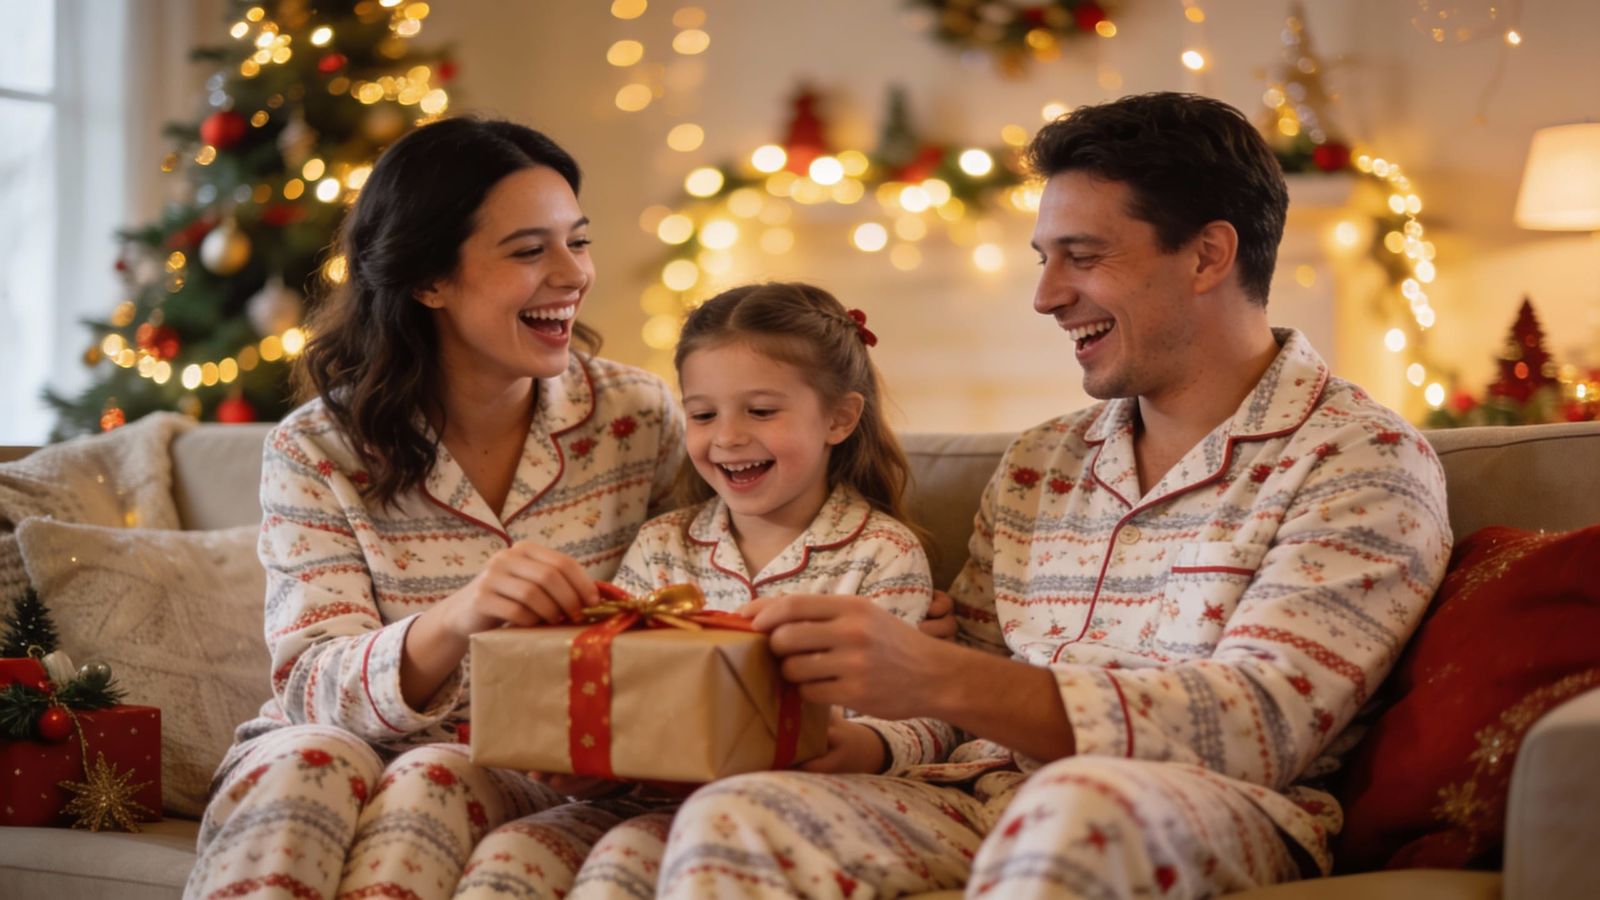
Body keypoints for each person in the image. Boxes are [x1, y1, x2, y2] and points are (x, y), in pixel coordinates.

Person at [634, 92, 1455, 898]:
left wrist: (940, 674)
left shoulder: (1360, 459)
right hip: (977, 798)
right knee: (736, 815)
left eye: (1083, 256)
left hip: (1205, 811)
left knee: (1078, 804)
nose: (1047, 295)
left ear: (1208, 256)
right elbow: (954, 691)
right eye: (1044, 259)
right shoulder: (1042, 462)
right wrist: (886, 697)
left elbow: (1258, 724)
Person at [184, 117, 688, 899]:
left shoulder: (637, 418)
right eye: (529, 251)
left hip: (528, 771)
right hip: (331, 745)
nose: (573, 274)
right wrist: (459, 618)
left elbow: (704, 599)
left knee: (434, 778)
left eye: (578, 241)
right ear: (429, 279)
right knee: (306, 763)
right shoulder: (318, 448)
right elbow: (311, 685)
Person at [556, 282, 950, 896]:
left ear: (840, 418)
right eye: (703, 414)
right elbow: (615, 681)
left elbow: (927, 719)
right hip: (656, 800)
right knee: (534, 850)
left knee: (636, 849)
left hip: (804, 807)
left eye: (761, 411)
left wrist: (861, 744)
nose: (728, 437)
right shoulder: (662, 545)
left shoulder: (882, 553)